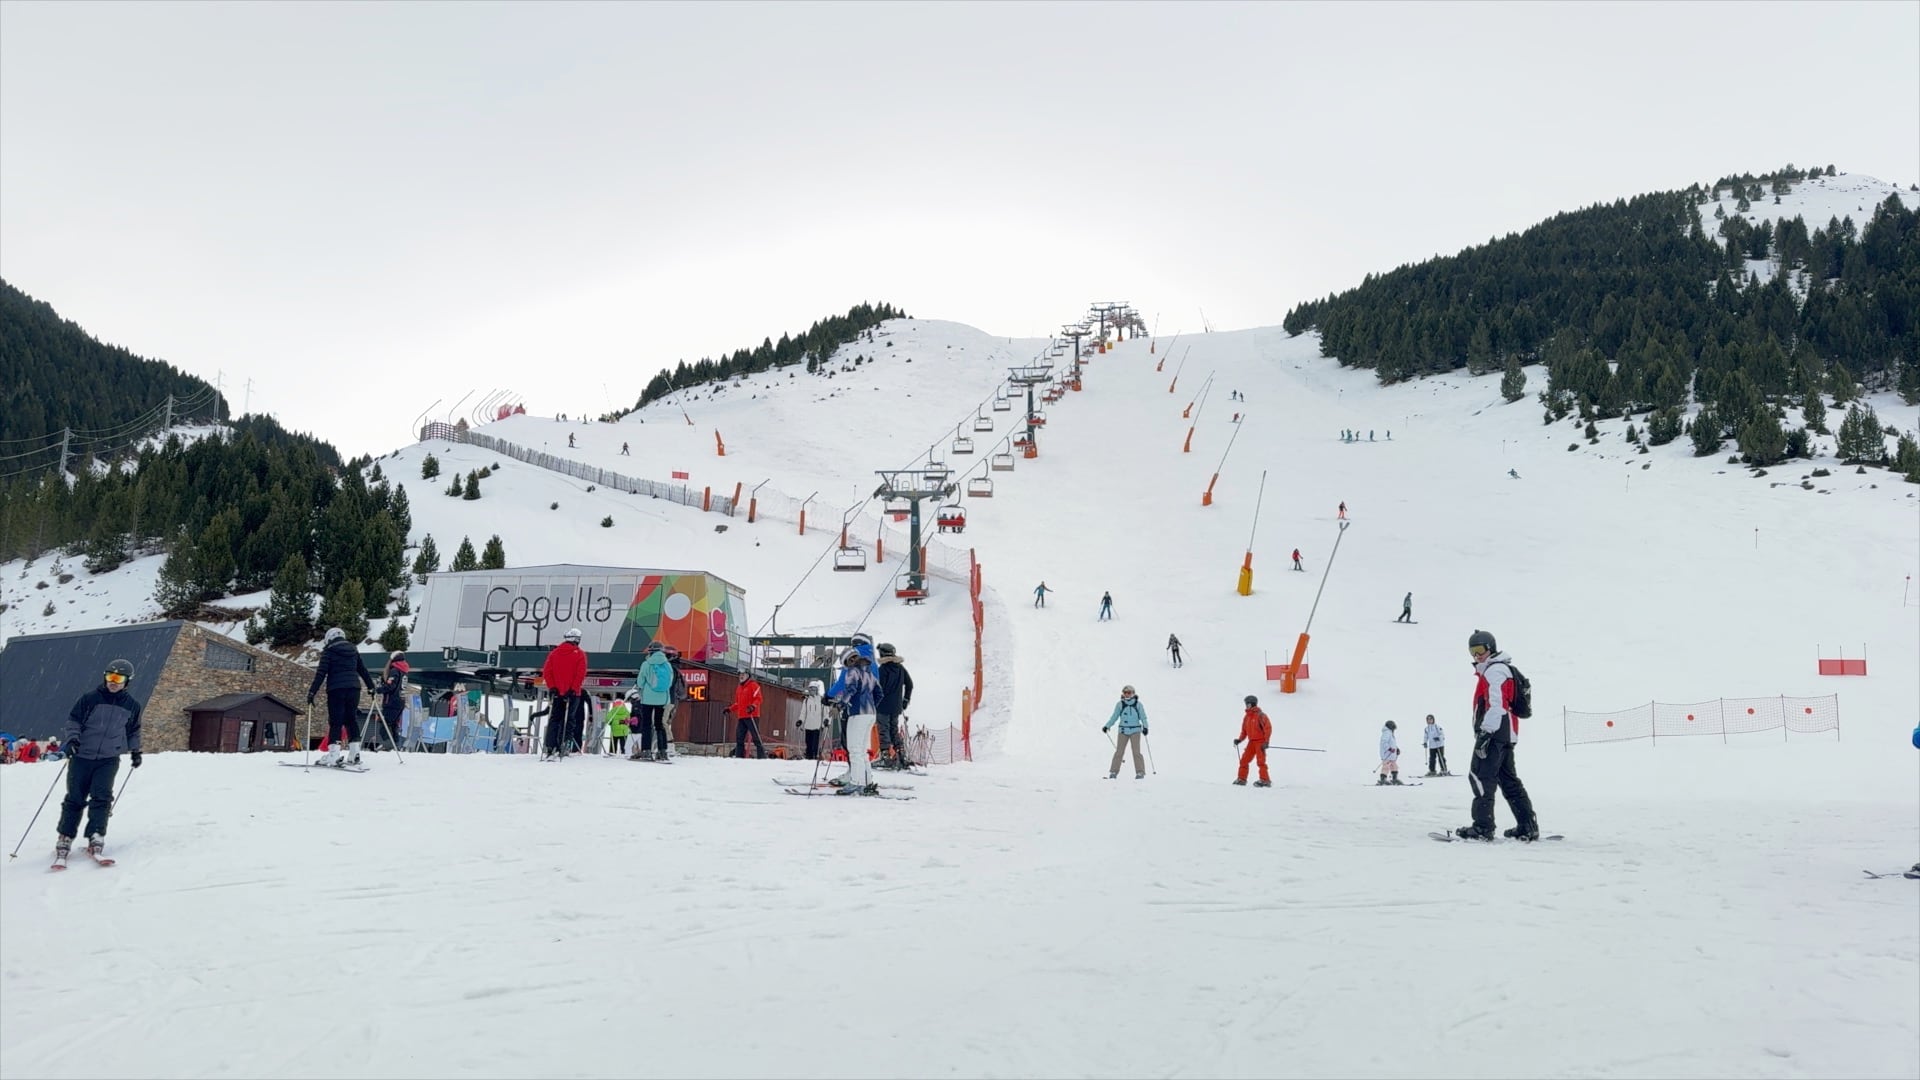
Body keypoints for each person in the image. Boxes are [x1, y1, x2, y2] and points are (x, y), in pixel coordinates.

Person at [55, 659, 143, 864]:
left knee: (102, 798)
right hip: (82, 756)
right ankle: (65, 836)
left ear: (127, 681)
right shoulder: (90, 699)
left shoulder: (132, 706)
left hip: (108, 759)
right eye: (110, 677)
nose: (113, 682)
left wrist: (136, 751)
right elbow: (73, 721)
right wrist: (72, 740)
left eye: (118, 678)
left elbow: (134, 730)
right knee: (75, 798)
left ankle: (96, 835)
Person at [1457, 630, 1540, 840]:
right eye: (1472, 652)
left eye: (1480, 650)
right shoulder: (1504, 669)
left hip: (1495, 732)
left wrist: (1486, 733)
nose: (1476, 656)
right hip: (1507, 733)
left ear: (1490, 648)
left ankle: (1483, 827)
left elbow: (1497, 705)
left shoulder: (1494, 672)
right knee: (1508, 780)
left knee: (1480, 776)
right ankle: (1527, 826)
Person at [308, 628, 377, 768]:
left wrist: (312, 692)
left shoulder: (329, 651)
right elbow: (362, 670)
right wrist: (371, 687)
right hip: (354, 688)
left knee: (336, 721)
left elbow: (321, 674)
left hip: (336, 689)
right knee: (351, 719)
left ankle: (333, 754)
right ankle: (354, 753)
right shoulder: (353, 650)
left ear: (329, 639)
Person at [830, 648, 881, 795]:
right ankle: (867, 781)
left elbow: (850, 690)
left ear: (849, 660)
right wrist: (871, 706)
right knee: (863, 751)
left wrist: (840, 705)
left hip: (857, 714)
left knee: (854, 750)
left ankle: (856, 783)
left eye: (846, 663)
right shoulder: (869, 672)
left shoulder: (853, 671)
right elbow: (879, 693)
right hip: (870, 714)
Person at [540, 628, 589, 759]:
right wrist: (573, 689)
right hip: (572, 693)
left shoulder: (554, 653)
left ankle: (550, 745)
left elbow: (547, 671)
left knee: (555, 718)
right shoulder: (580, 654)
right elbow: (580, 674)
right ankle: (565, 744)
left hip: (556, 692)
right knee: (570, 719)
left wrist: (552, 687)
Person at [873, 643, 914, 770]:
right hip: (896, 706)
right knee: (894, 729)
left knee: (883, 729)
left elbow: (878, 688)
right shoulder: (900, 668)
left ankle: (885, 757)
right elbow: (910, 684)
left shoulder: (882, 670)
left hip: (883, 706)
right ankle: (901, 754)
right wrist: (905, 700)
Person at [634, 642, 674, 761]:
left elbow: (640, 682)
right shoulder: (667, 665)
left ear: (651, 652)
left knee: (646, 725)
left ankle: (646, 750)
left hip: (648, 699)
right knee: (660, 725)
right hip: (662, 699)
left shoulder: (646, 664)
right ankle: (662, 751)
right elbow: (670, 682)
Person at [1103, 685, 1149, 780]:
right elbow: (1114, 717)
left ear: (1133, 693)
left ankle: (1140, 772)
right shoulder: (1120, 704)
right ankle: (1113, 772)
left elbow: (1143, 717)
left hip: (1135, 731)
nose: (1127, 694)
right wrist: (1107, 726)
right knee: (1119, 752)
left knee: (1136, 752)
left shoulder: (1138, 704)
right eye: (1125, 692)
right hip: (1123, 731)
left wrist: (1145, 727)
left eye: (1129, 692)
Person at [1233, 694, 1272, 787]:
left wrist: (1266, 741)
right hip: (1251, 742)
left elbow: (1268, 728)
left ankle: (1265, 780)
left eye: (1247, 704)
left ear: (1251, 704)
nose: (1246, 705)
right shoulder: (1247, 717)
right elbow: (1244, 731)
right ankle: (1241, 779)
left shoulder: (1261, 715)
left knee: (1260, 761)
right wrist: (1239, 740)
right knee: (1244, 760)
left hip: (1260, 742)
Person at [375, 651, 409, 750]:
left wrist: (378, 689)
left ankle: (387, 745)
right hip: (400, 701)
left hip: (391, 702)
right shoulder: (404, 672)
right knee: (394, 725)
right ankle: (396, 745)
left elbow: (391, 686)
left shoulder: (394, 670)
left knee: (384, 724)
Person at [730, 672, 767, 759]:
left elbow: (759, 698)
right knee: (739, 737)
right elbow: (738, 703)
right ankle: (739, 757)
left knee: (756, 737)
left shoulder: (753, 685)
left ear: (748, 676)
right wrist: (730, 709)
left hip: (752, 715)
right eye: (740, 675)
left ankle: (762, 756)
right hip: (741, 716)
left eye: (744, 674)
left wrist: (753, 706)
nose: (741, 676)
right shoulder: (739, 688)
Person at [800, 686, 826, 760]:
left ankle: (814, 756)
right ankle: (809, 756)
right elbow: (803, 712)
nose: (812, 691)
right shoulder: (806, 701)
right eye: (811, 690)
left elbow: (825, 713)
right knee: (808, 742)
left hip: (817, 725)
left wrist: (825, 720)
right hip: (808, 724)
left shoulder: (821, 700)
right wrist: (800, 720)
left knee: (815, 743)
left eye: (814, 690)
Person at [1377, 719, 1403, 785]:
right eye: (1393, 728)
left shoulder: (1390, 733)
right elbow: (1384, 742)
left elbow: (1392, 743)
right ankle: (1383, 779)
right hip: (1387, 754)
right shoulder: (1386, 733)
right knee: (1386, 766)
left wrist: (1397, 749)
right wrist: (1389, 749)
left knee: (1394, 766)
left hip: (1391, 755)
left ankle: (1394, 779)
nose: (1394, 730)